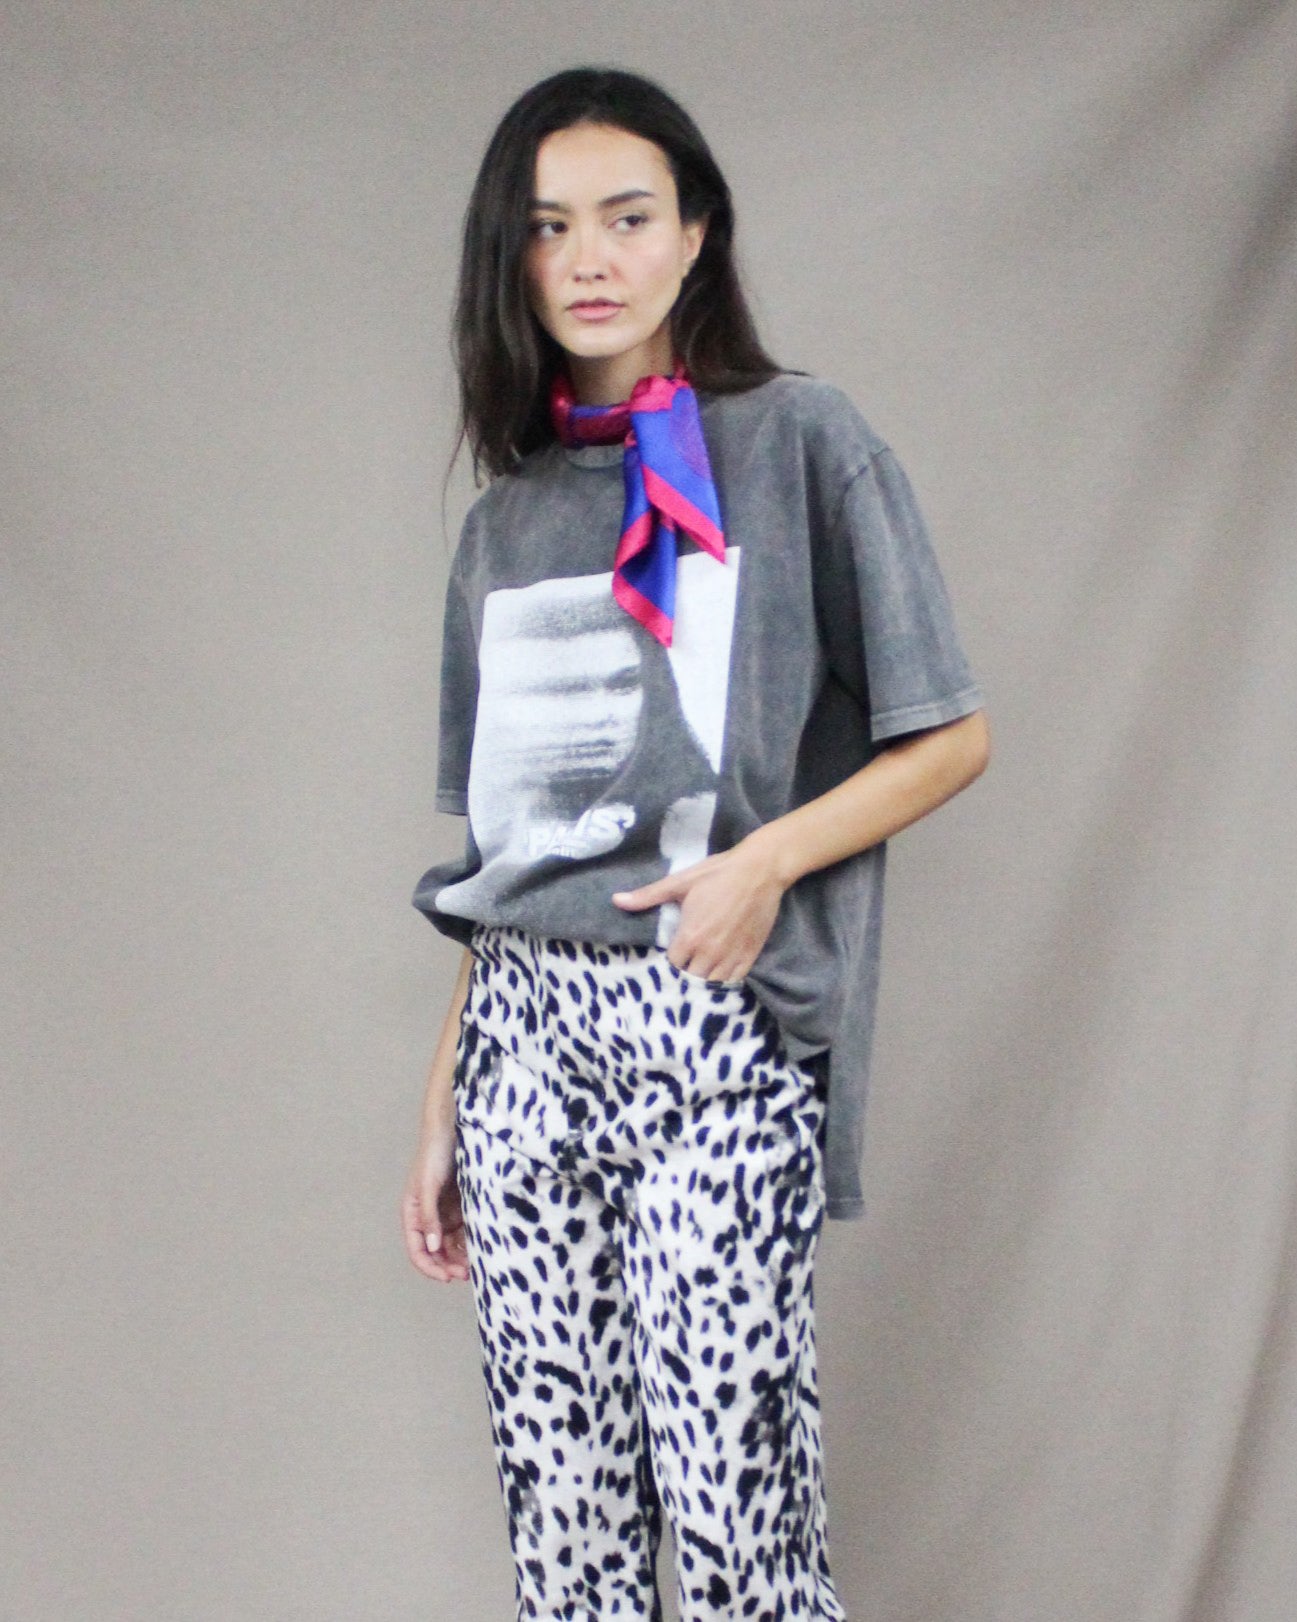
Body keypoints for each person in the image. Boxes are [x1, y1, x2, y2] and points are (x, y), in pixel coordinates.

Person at [400, 64, 990, 1622]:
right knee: (565, 1532)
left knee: (741, 1525)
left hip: (711, 1030)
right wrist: (444, 1093)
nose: (587, 257)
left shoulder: (799, 442)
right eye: (547, 226)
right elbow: (501, 855)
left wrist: (763, 861)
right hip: (523, 1047)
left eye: (626, 216)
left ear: (695, 234)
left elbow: (949, 735)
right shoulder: (503, 523)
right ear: (510, 256)